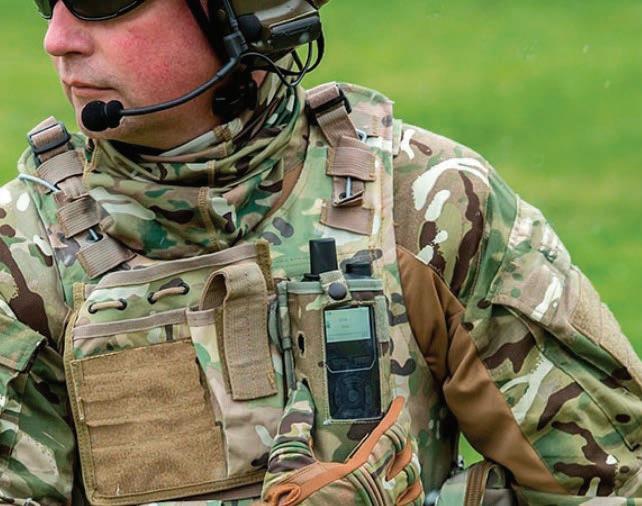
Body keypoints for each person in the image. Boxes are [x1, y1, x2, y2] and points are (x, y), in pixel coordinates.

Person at [0, 0, 639, 504]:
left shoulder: (429, 205)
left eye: (101, 1)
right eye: (47, 4)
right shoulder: (20, 258)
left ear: (238, 8)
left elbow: (613, 479)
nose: (58, 39)